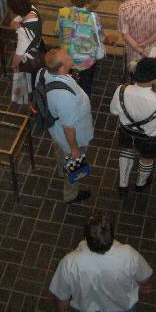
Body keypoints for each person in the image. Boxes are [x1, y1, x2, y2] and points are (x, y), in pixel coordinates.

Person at [50, 211, 153, 312]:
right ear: (112, 234)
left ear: (86, 236)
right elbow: (144, 278)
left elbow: (61, 296)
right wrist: (143, 285)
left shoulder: (69, 263)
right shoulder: (128, 255)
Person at [110, 58, 156, 195]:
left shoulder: (121, 90)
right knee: (146, 159)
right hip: (149, 138)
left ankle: (123, 184)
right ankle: (140, 183)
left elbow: (114, 111)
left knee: (126, 152)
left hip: (126, 131)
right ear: (154, 79)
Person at [39, 48, 94, 204]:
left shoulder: (43, 73)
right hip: (70, 138)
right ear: (61, 68)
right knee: (73, 164)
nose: (70, 56)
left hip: (55, 130)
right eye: (67, 57)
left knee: (59, 151)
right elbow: (69, 128)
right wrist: (74, 149)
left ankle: (61, 169)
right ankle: (71, 194)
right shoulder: (64, 97)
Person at [55, 0, 114, 98]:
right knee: (85, 88)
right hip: (86, 62)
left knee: (67, 87)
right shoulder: (93, 17)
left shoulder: (63, 13)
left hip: (67, 59)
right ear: (89, 2)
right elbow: (101, 37)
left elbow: (57, 32)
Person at [8, 0, 45, 86]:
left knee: (28, 82)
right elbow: (15, 21)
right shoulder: (33, 9)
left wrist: (14, 66)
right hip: (39, 45)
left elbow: (19, 55)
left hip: (31, 57)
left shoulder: (24, 32)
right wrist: (15, 23)